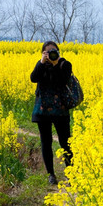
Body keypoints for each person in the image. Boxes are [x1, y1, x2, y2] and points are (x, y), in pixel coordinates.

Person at [30, 41, 73, 185]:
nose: (51, 54)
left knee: (65, 141)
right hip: (42, 111)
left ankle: (71, 174)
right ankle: (51, 175)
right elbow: (33, 78)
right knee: (46, 142)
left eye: (53, 51)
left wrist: (55, 64)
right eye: (47, 52)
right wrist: (41, 63)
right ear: (43, 53)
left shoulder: (65, 65)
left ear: (59, 51)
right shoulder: (41, 65)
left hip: (60, 110)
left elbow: (61, 81)